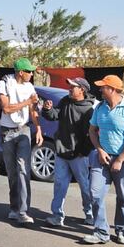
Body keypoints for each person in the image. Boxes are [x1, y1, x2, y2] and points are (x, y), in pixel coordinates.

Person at [83, 75, 124, 245]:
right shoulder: (100, 108)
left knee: (123, 197)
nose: (100, 89)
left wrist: (120, 159)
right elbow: (92, 130)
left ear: (113, 89)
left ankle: (122, 230)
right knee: (95, 194)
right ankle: (101, 232)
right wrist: (99, 150)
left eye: (104, 87)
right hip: (102, 157)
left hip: (123, 159)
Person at [42, 78, 96, 227]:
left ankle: (90, 214)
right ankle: (57, 216)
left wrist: (83, 152)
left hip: (79, 156)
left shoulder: (88, 110)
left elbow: (91, 135)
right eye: (70, 86)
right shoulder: (65, 101)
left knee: (85, 186)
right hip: (61, 153)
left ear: (82, 90)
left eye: (73, 87)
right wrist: (47, 109)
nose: (70, 89)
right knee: (59, 186)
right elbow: (54, 115)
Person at [0, 57, 43, 225]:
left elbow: (32, 109)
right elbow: (6, 108)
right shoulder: (4, 83)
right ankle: (14, 208)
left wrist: (38, 128)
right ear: (21, 72)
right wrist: (28, 101)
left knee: (24, 170)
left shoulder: (29, 86)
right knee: (12, 172)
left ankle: (23, 211)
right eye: (29, 71)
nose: (31, 74)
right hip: (7, 132)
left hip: (24, 130)